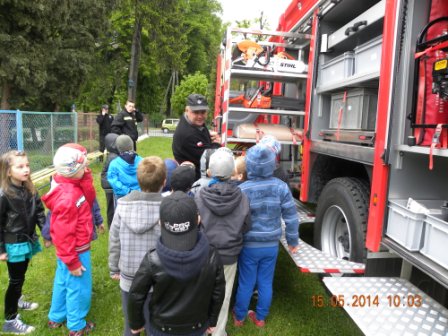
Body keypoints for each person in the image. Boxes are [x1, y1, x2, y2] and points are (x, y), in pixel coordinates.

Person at [127, 191, 225, 336]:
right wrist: (212, 321)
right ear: (197, 219)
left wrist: (136, 324)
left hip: (162, 329)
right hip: (197, 327)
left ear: (160, 222)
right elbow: (218, 293)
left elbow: (136, 294)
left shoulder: (152, 259)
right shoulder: (211, 255)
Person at [233, 144, 299, 328]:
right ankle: (260, 317)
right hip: (271, 244)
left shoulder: (242, 189)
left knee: (246, 281)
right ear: (272, 165)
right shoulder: (281, 187)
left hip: (249, 245)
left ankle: (239, 317)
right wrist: (293, 241)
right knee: (265, 281)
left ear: (249, 166)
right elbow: (291, 218)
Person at [195, 148, 251, 336]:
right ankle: (218, 331)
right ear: (233, 172)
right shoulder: (242, 197)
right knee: (225, 294)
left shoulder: (200, 195)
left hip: (205, 253)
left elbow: (196, 224)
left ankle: (202, 329)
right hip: (229, 254)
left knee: (203, 292)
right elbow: (246, 225)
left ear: (210, 171)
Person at [41, 143, 96, 336]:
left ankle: (56, 317)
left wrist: (84, 174)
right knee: (78, 287)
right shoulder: (67, 198)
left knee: (63, 281)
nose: (86, 169)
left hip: (70, 252)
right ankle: (76, 325)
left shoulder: (70, 183)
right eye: (83, 168)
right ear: (73, 171)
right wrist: (72, 261)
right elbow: (62, 235)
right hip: (75, 252)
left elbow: (89, 198)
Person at [109, 156, 166, 336]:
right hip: (156, 277)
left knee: (131, 324)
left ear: (138, 180)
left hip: (129, 277)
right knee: (154, 323)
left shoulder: (121, 205)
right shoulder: (166, 208)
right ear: (164, 182)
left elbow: (114, 239)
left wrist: (113, 267)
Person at [0, 150, 46, 334]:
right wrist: (1, 249)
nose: (26, 169)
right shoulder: (4, 195)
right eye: (20, 166)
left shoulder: (30, 188)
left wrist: (47, 233)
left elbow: (40, 212)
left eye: (27, 165)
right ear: (8, 171)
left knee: (19, 276)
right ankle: (10, 320)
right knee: (16, 280)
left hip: (27, 240)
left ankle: (17, 299)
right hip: (14, 244)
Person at [172, 94, 221, 180]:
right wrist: (216, 144)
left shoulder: (192, 123)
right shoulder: (187, 134)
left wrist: (207, 137)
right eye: (196, 112)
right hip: (193, 183)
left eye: (203, 112)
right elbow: (211, 160)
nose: (200, 116)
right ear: (187, 110)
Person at [107, 134, 142, 201]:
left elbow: (114, 181)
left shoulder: (114, 164)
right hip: (140, 195)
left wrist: (128, 191)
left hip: (122, 197)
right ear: (132, 145)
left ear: (118, 148)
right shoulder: (142, 161)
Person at [100, 133, 119, 228]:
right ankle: (111, 225)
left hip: (109, 184)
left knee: (111, 204)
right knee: (112, 205)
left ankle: (112, 224)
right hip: (110, 185)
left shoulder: (113, 155)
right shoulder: (113, 157)